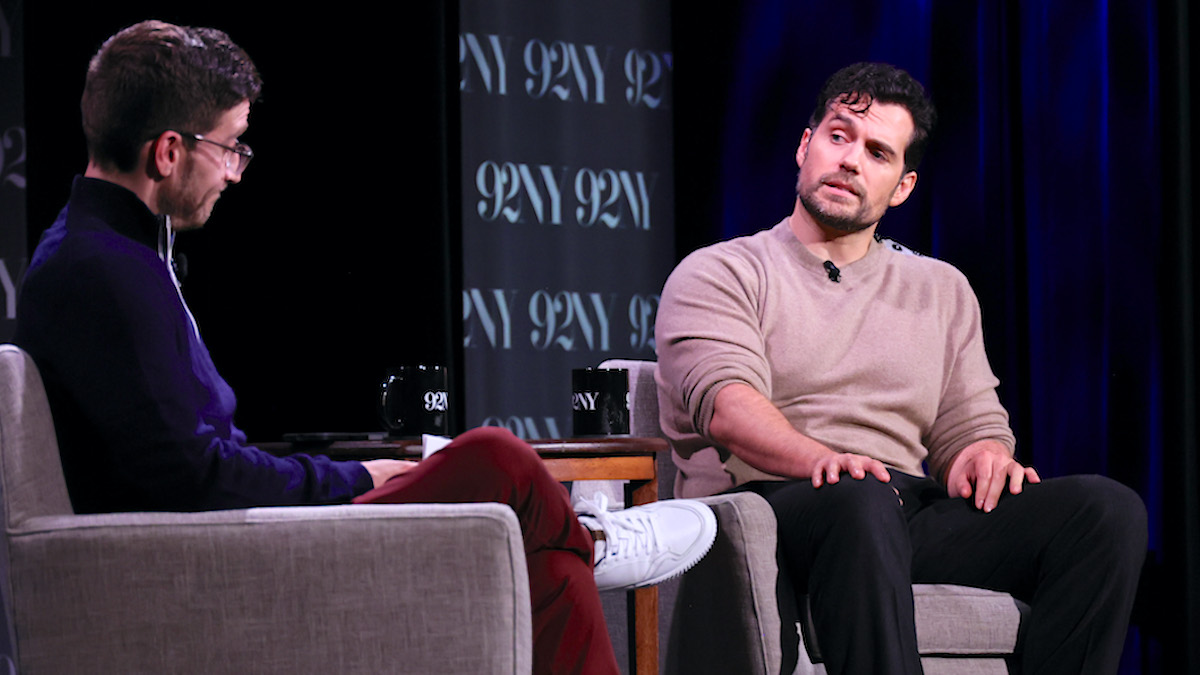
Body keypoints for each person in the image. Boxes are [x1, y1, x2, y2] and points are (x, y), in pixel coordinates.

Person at [14, 20, 716, 675]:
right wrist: (353, 479)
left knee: (548, 562)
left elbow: (192, 454)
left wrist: (347, 470)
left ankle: (579, 546)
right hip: (213, 553)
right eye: (231, 148)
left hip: (223, 530)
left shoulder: (112, 255)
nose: (235, 172)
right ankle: (595, 541)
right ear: (169, 151)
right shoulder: (102, 272)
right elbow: (195, 477)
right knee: (494, 457)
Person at [655, 62, 1146, 674]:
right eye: (838, 136)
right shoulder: (723, 271)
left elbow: (970, 425)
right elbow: (728, 406)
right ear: (805, 146)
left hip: (895, 508)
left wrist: (983, 456)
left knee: (1106, 512)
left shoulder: (940, 288)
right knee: (859, 498)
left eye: (878, 152)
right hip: (770, 506)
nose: (851, 161)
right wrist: (823, 462)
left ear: (903, 186)